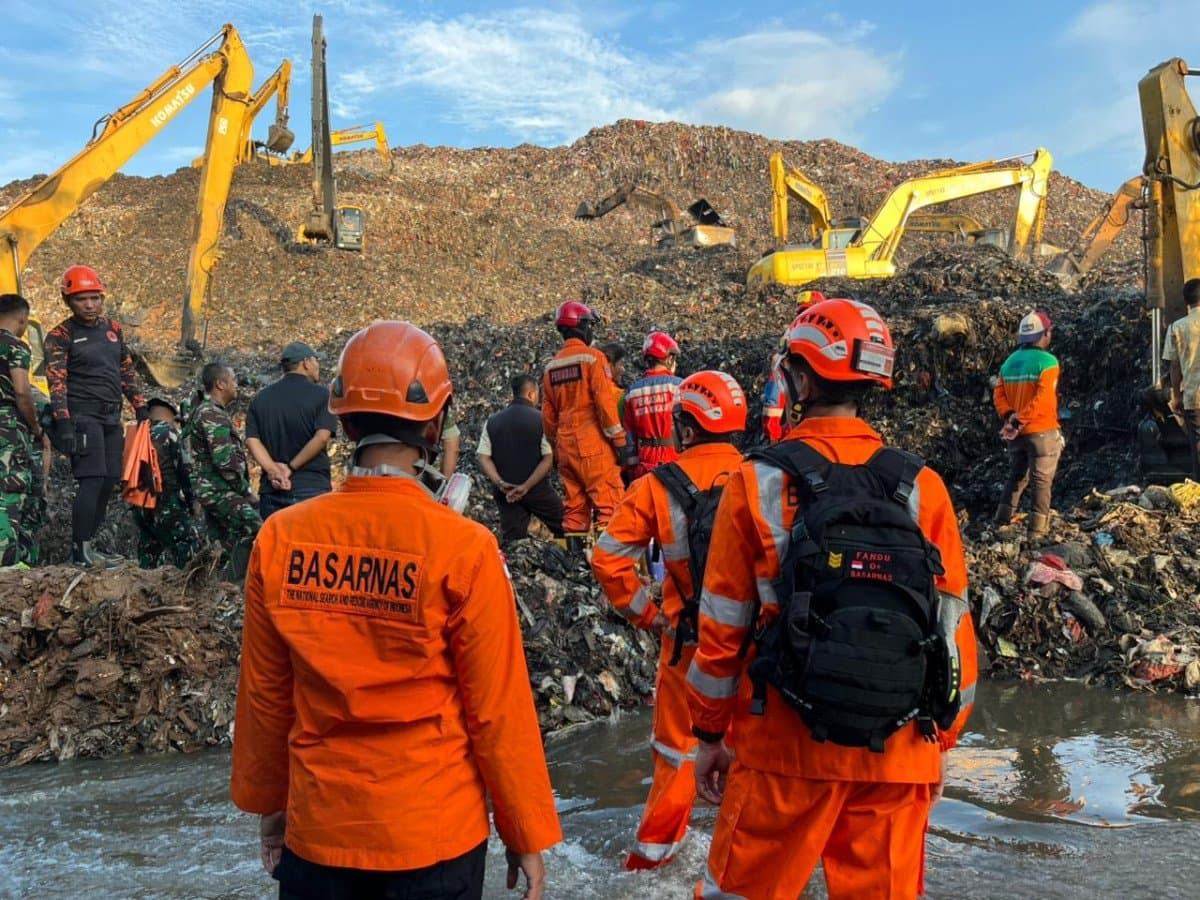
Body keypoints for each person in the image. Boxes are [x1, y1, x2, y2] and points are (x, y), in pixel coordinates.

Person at [231, 320, 562, 900]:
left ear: (345, 421)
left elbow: (265, 694)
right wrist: (524, 831)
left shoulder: (280, 539)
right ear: (436, 422)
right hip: (434, 838)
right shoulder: (465, 548)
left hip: (319, 832)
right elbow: (498, 711)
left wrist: (270, 806)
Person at [687, 298, 976, 900]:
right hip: (897, 751)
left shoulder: (757, 481)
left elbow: (722, 628)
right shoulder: (922, 487)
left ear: (800, 375)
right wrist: (941, 742)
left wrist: (710, 736)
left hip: (782, 749)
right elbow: (954, 631)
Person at [592, 370, 747, 871]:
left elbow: (607, 558)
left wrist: (649, 615)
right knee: (752, 760)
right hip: (752, 649)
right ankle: (742, 867)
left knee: (678, 758)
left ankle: (651, 865)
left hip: (687, 650)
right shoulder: (763, 478)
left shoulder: (656, 487)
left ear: (685, 425)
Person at [45, 265, 149, 566]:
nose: (90, 305)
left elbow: (125, 369)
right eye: (82, 299)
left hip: (109, 416)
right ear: (67, 301)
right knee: (92, 480)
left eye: (95, 298)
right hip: (82, 416)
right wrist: (63, 420)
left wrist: (139, 405)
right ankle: (80, 551)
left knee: (109, 481)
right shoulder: (60, 335)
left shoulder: (112, 330)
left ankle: (90, 544)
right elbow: (56, 380)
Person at [542, 301, 632, 552]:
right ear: (581, 326)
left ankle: (577, 569)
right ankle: (610, 567)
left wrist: (556, 449)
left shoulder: (551, 367)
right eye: (590, 325)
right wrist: (620, 442)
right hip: (593, 446)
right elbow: (605, 405)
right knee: (609, 504)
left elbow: (548, 417)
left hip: (565, 447)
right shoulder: (593, 359)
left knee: (575, 510)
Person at [245, 342, 338, 520]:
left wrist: (273, 470)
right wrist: (290, 467)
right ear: (306, 363)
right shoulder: (322, 395)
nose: (318, 365)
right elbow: (322, 437)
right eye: (315, 360)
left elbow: (252, 440)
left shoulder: (261, 398)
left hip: (271, 491)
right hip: (311, 489)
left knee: (275, 546)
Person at [993, 309, 1063, 539]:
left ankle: (1001, 521)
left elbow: (999, 394)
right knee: (1041, 481)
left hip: (1017, 434)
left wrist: (1011, 417)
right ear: (1044, 334)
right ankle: (1037, 531)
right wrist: (1022, 418)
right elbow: (1043, 399)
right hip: (1041, 432)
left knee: (1016, 475)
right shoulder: (1048, 362)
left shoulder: (1009, 363)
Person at [186, 362, 260, 579]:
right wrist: (247, 493)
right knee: (253, 528)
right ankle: (233, 584)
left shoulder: (209, 411)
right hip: (217, 489)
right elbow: (225, 461)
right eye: (233, 380)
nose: (236, 385)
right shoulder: (211, 413)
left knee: (222, 541)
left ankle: (213, 586)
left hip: (212, 489)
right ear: (220, 384)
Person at [478, 374, 564, 545]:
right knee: (565, 524)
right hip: (537, 490)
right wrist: (526, 486)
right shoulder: (541, 420)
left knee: (513, 540)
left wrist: (501, 483)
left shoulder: (492, 421)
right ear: (531, 394)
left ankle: (513, 570)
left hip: (506, 494)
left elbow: (483, 457)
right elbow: (548, 459)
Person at [0, 293, 47, 566]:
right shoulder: (16, 346)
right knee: (9, 490)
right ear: (22, 319)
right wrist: (36, 426)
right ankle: (7, 563)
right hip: (7, 424)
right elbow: (22, 392)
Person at [131, 397, 200, 569]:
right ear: (170, 414)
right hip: (166, 500)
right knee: (187, 544)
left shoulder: (137, 433)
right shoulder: (168, 431)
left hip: (140, 503)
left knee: (150, 547)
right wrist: (192, 501)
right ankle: (187, 590)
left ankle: (146, 588)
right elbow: (183, 469)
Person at [622, 332, 683, 481]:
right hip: (675, 458)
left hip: (645, 461)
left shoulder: (632, 392)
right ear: (668, 358)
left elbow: (629, 435)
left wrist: (632, 470)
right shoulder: (680, 386)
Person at [1166, 278, 1200, 478]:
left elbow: (1174, 365)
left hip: (1194, 398)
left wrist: (1176, 396)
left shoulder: (1177, 327)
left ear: (1186, 302)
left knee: (1197, 443)